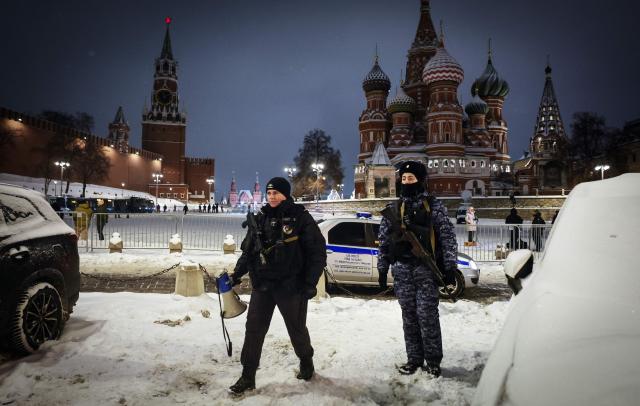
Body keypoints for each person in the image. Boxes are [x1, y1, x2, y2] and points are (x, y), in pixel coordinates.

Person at [228, 177, 327, 395]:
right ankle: (247, 376)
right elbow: (249, 252)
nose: (272, 197)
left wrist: (310, 283)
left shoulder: (300, 217)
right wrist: (236, 274)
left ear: (285, 194)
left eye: (276, 193)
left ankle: (306, 361)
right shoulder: (260, 218)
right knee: (253, 330)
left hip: (291, 287)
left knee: (296, 329)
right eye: (269, 193)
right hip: (263, 286)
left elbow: (317, 252)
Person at [377, 161, 458, 378]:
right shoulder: (394, 209)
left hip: (425, 270)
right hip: (402, 270)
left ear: (420, 180)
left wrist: (449, 267)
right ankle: (414, 359)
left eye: (411, 179)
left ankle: (432, 361)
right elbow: (383, 241)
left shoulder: (433, 205)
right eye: (403, 179)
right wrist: (383, 268)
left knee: (427, 316)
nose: (406, 182)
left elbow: (447, 236)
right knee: (409, 317)